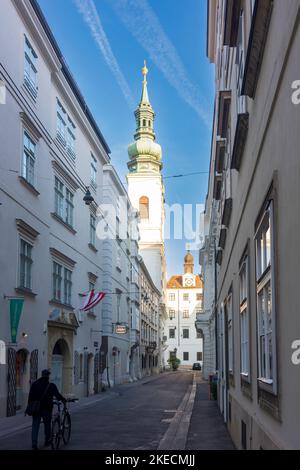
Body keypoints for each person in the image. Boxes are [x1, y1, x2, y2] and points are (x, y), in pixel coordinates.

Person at [27, 369, 66, 450]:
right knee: (47, 425)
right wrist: (63, 400)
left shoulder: (35, 384)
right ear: (48, 376)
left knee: (35, 426)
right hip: (46, 408)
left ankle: (34, 444)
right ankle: (47, 440)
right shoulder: (51, 385)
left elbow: (30, 396)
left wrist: (29, 407)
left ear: (42, 375)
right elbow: (58, 396)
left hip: (36, 409)